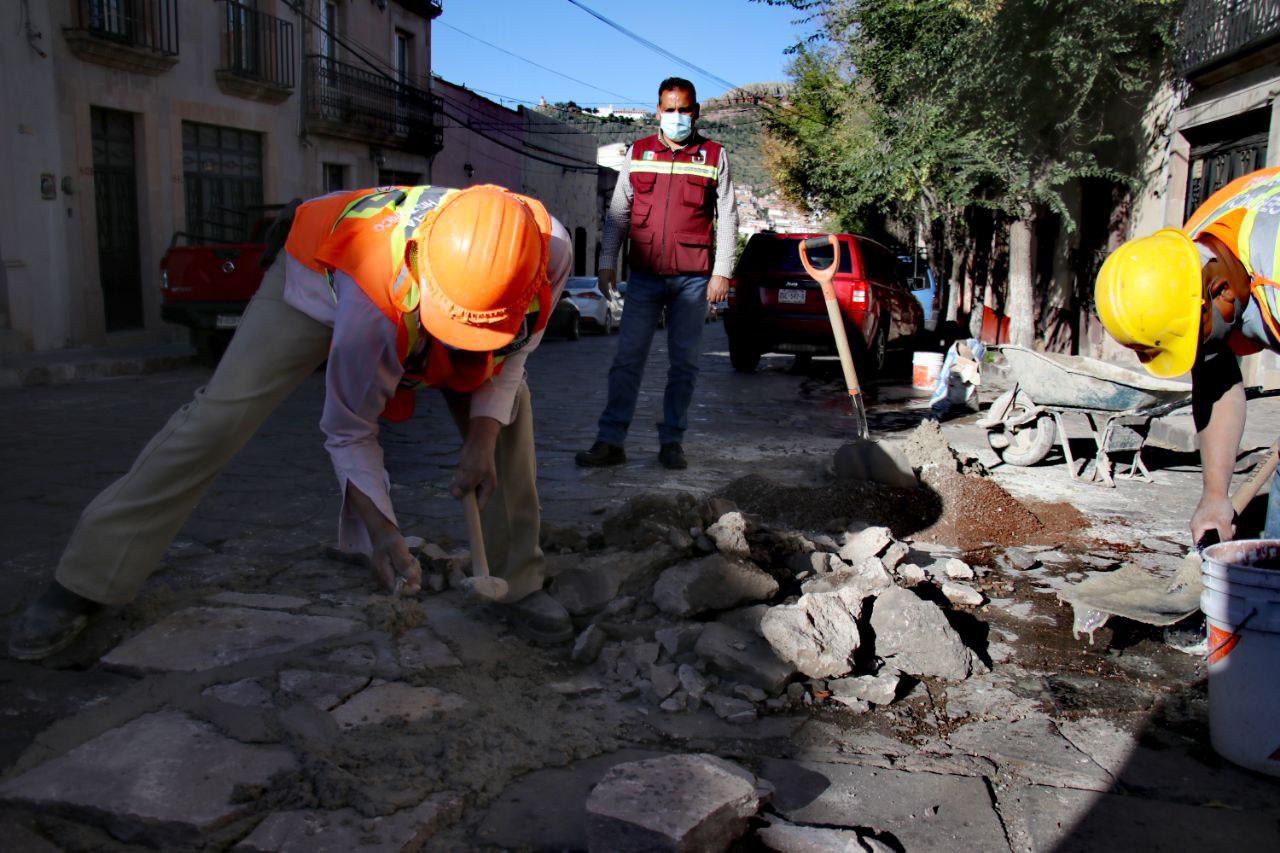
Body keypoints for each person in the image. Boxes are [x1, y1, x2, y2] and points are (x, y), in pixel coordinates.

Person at [8, 184, 576, 661]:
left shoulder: (549, 247)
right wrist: (382, 532)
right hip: (321, 278)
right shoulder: (371, 300)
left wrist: (481, 436)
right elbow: (351, 426)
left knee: (507, 426)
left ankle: (518, 581)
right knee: (218, 418)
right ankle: (85, 580)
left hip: (452, 302)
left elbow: (514, 353)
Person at [1095, 165, 1280, 542]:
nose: (1198, 356)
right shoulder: (1189, 253)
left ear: (1224, 293)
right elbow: (1215, 376)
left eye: (1198, 341)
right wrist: (1215, 495)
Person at [575, 76, 738, 471]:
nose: (677, 116)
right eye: (670, 109)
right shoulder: (640, 152)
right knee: (627, 359)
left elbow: (729, 217)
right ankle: (611, 442)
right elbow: (618, 211)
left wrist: (722, 273)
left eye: (684, 109)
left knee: (684, 364)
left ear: (695, 112)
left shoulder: (713, 155)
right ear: (658, 111)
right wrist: (606, 262)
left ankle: (672, 442)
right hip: (645, 277)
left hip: (692, 279)